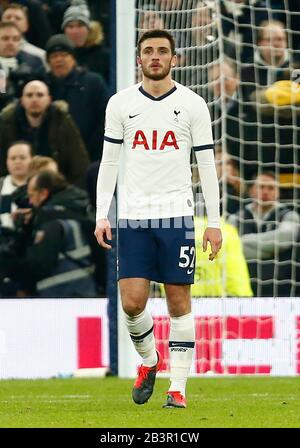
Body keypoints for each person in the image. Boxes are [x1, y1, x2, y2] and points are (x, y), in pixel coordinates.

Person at [94, 29, 222, 408]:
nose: (155, 56)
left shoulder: (193, 104)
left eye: (162, 51)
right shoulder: (120, 104)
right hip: (132, 218)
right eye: (148, 50)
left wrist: (213, 221)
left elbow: (207, 165)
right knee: (132, 303)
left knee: (179, 302)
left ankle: (178, 389)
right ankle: (150, 362)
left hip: (177, 217)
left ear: (174, 59)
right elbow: (110, 162)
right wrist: (103, 214)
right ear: (139, 58)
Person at [1, 169, 98, 297]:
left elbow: (40, 265)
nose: (30, 202)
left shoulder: (51, 222)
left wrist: (7, 264)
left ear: (44, 193)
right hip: (85, 290)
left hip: (62, 296)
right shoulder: (74, 212)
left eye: (31, 195)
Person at [0, 80, 90, 187]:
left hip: (55, 186)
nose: (34, 100)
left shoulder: (62, 121)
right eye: (29, 95)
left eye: (40, 95)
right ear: (22, 100)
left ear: (49, 99)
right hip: (14, 186)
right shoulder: (7, 123)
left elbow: (79, 162)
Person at [228, 171, 300, 297]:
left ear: (278, 192)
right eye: (261, 187)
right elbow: (229, 248)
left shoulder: (290, 216)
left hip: (281, 288)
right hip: (242, 286)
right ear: (251, 191)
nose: (266, 191)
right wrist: (269, 249)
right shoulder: (235, 218)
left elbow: (282, 241)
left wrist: (244, 241)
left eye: (271, 188)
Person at [44, 33, 109, 162]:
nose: (59, 60)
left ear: (73, 58)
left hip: (90, 156)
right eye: (54, 56)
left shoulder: (93, 82)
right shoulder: (42, 87)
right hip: (50, 159)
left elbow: (105, 119)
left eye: (64, 55)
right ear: (48, 62)